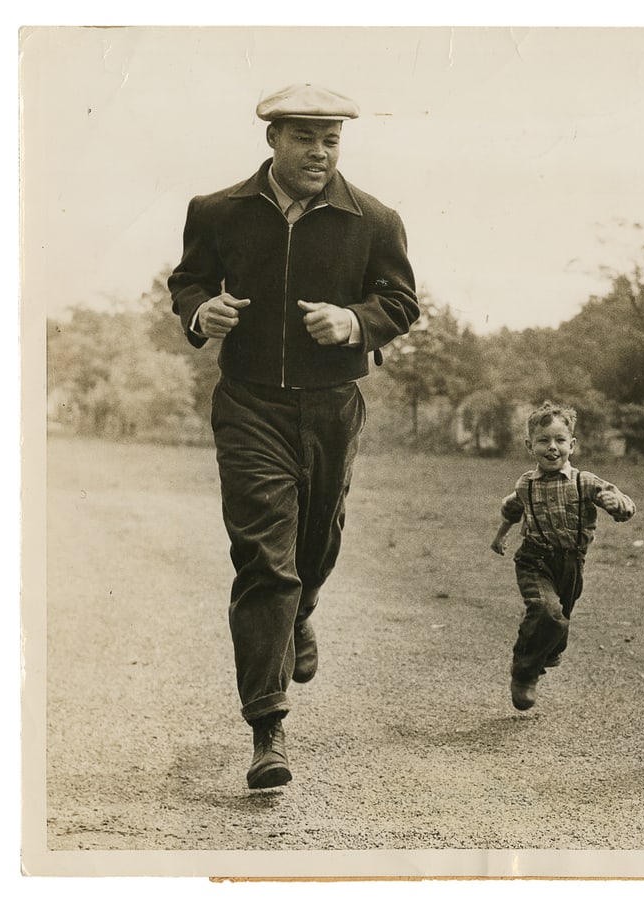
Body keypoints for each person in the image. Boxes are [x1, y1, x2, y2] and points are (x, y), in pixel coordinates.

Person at [168, 83, 419, 789]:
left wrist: (355, 322)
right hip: (248, 404)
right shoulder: (216, 211)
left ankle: (303, 611)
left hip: (333, 406)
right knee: (263, 559)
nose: (319, 151)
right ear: (273, 140)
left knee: (317, 544)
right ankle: (268, 728)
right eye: (305, 137)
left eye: (330, 139)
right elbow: (187, 282)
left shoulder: (373, 219)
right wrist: (201, 312)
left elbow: (401, 301)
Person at [491, 402, 636, 711]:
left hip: (571, 564)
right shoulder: (526, 484)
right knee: (547, 611)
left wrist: (616, 504)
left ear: (572, 445)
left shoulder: (585, 481)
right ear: (530, 446)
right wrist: (500, 535)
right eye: (543, 440)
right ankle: (524, 674)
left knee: (559, 624)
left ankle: (547, 648)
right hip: (534, 559)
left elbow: (624, 505)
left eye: (559, 440)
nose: (552, 448)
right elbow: (512, 509)